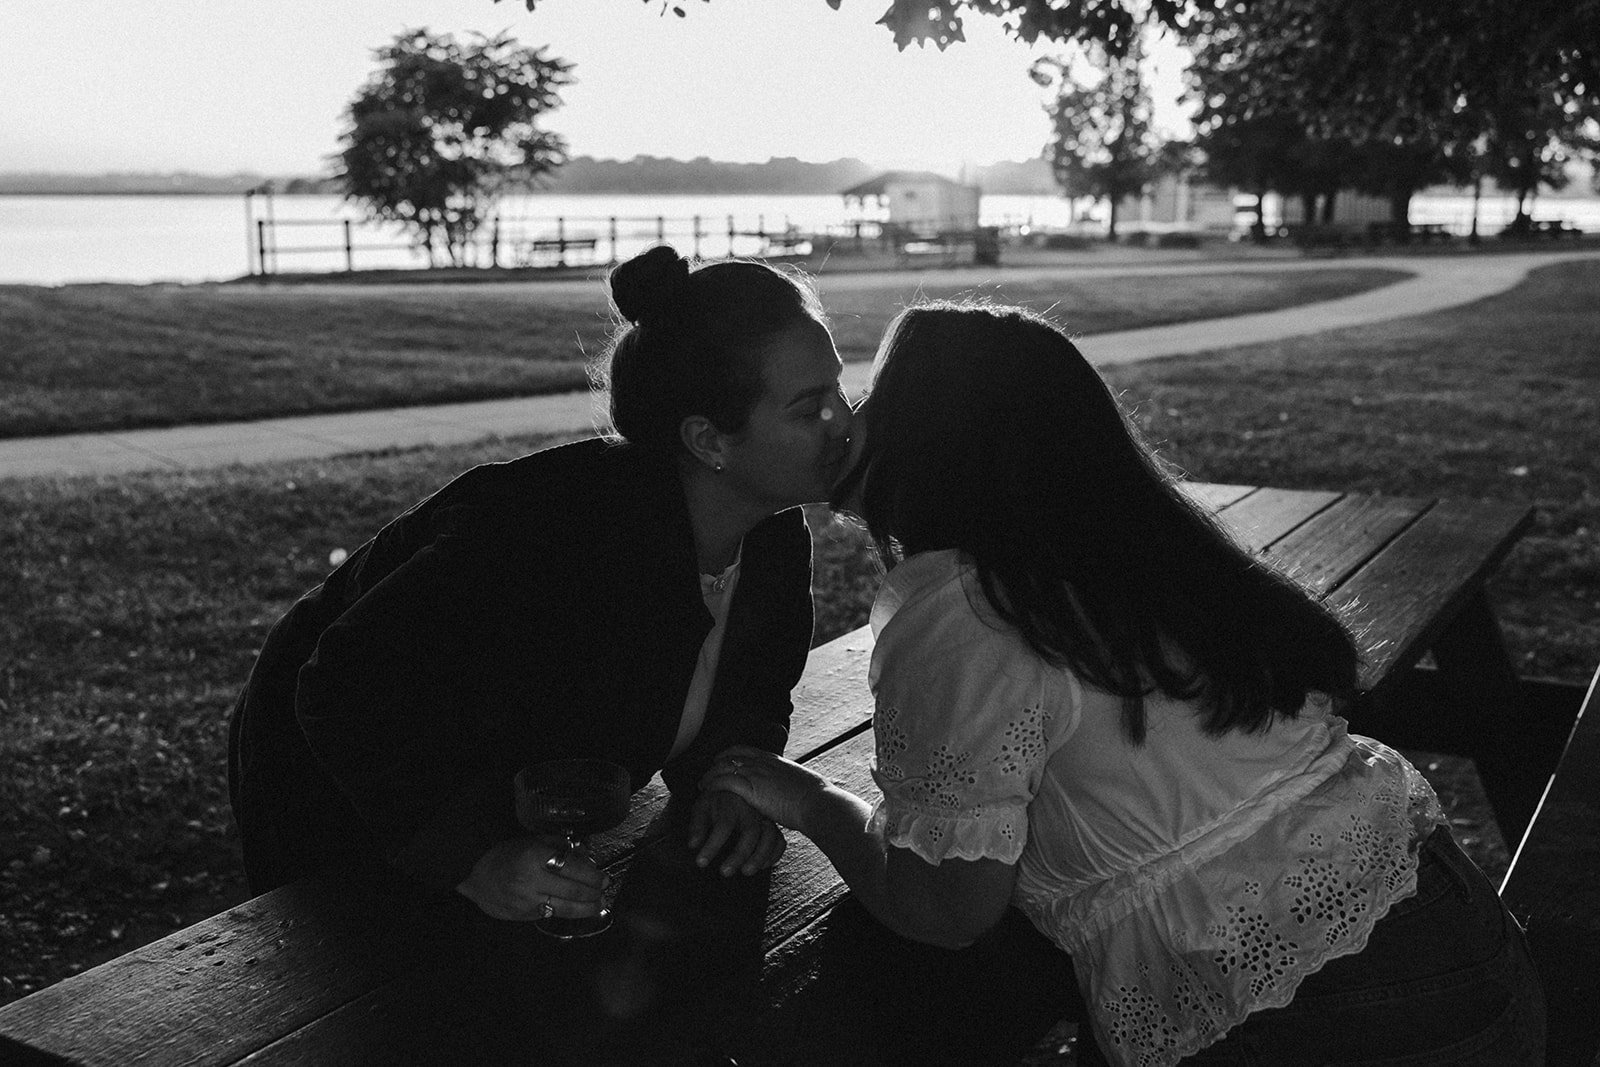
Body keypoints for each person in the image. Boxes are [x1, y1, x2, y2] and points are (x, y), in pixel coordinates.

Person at [702, 302, 1546, 1065]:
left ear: (939, 432)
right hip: (1464, 942)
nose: (851, 418)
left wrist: (811, 800)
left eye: (874, 393)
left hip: (1331, 1015)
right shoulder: (1132, 550)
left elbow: (947, 908)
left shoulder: (962, 609)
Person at [228, 245, 855, 926]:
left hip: (504, 815)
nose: (844, 422)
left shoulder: (770, 533)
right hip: (326, 773)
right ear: (709, 440)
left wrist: (730, 783)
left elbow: (750, 690)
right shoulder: (543, 533)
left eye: (839, 390)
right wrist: (472, 858)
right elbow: (343, 682)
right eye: (808, 407)